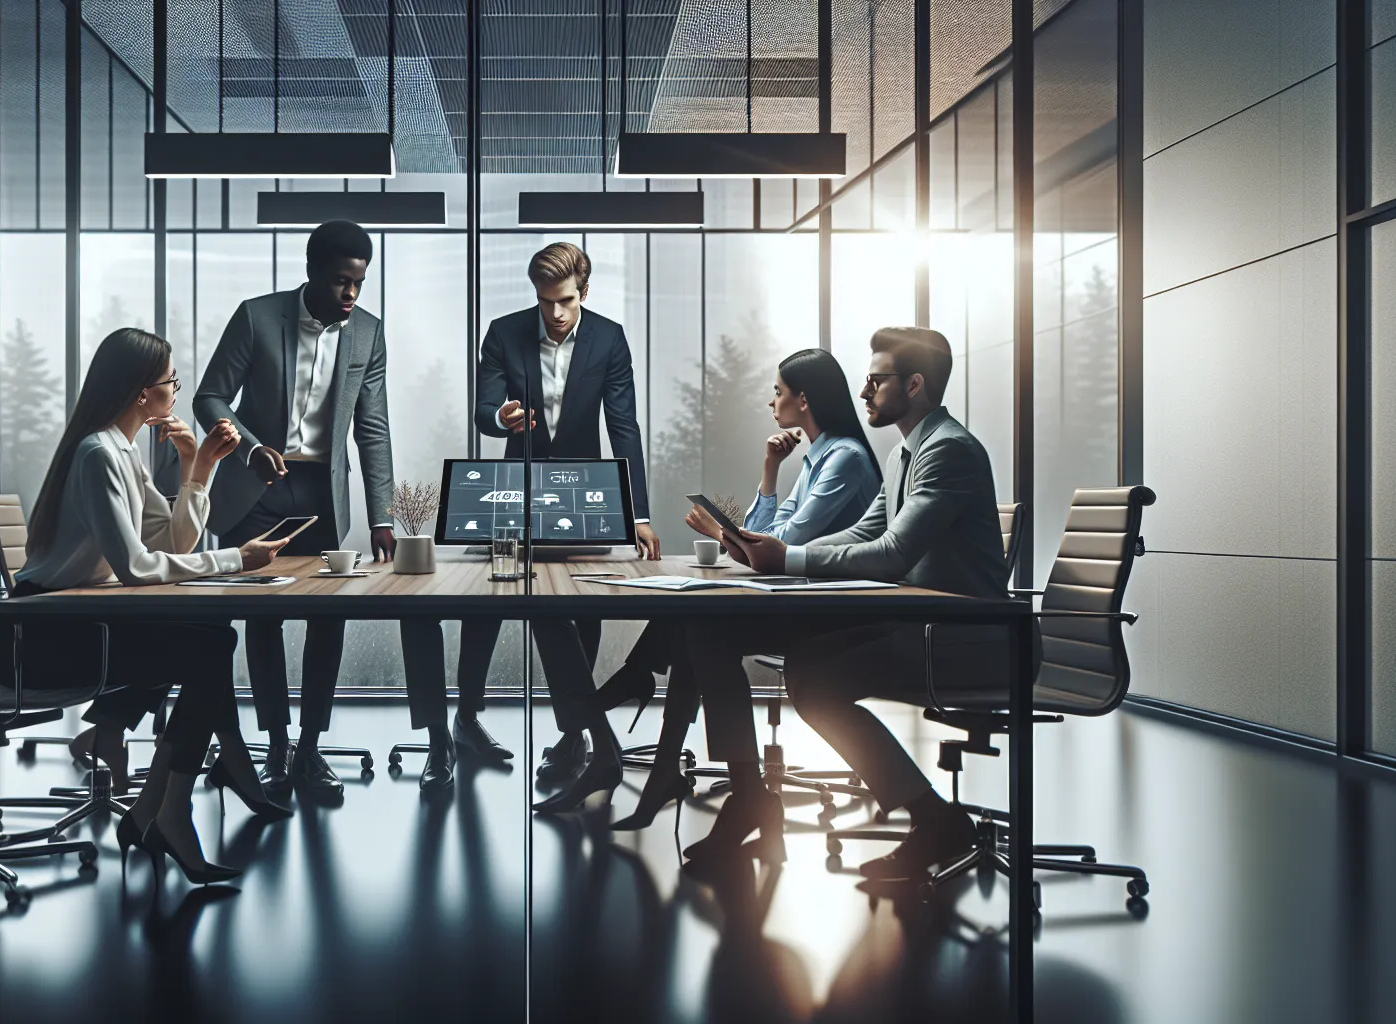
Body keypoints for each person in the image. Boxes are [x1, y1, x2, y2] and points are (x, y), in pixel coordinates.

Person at [667, 327, 1014, 880]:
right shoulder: (906, 453)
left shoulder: (948, 450)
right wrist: (784, 554)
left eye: (876, 380)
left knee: (816, 678)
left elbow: (895, 552)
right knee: (719, 635)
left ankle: (932, 818)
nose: (864, 391)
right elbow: (863, 533)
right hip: (922, 625)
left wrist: (790, 558)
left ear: (914, 385)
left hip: (965, 639)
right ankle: (752, 795)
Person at [0, 327, 291, 885]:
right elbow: (136, 566)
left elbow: (174, 544)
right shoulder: (98, 455)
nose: (176, 391)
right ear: (141, 393)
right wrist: (235, 559)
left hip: (74, 624)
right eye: (171, 381)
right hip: (36, 639)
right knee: (209, 646)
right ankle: (168, 809)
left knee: (211, 639)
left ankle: (160, 808)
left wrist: (197, 467)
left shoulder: (122, 451)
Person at [398, 242, 659, 801]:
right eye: (546, 302)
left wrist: (637, 512)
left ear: (584, 292)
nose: (556, 313)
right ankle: (466, 718)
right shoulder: (504, 332)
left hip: (585, 490)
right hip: (514, 488)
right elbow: (483, 410)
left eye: (566, 301)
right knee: (485, 604)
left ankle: (573, 735)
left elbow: (624, 427)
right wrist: (502, 416)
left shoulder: (609, 338)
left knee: (581, 606)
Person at [594, 347, 883, 828]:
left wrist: (717, 532)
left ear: (804, 400)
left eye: (778, 391)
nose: (772, 401)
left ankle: (643, 690)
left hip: (838, 612)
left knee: (701, 628)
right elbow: (767, 531)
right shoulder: (818, 458)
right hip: (807, 599)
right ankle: (669, 767)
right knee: (696, 625)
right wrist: (770, 468)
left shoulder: (845, 459)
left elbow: (780, 545)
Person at [193, 221, 395, 802]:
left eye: (358, 283)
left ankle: (310, 748)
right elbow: (209, 397)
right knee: (264, 621)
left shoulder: (368, 333)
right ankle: (277, 748)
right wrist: (250, 447)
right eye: (340, 282)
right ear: (311, 273)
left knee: (328, 621)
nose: (350, 294)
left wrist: (381, 515)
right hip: (256, 490)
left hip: (322, 495)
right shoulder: (257, 317)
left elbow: (372, 428)